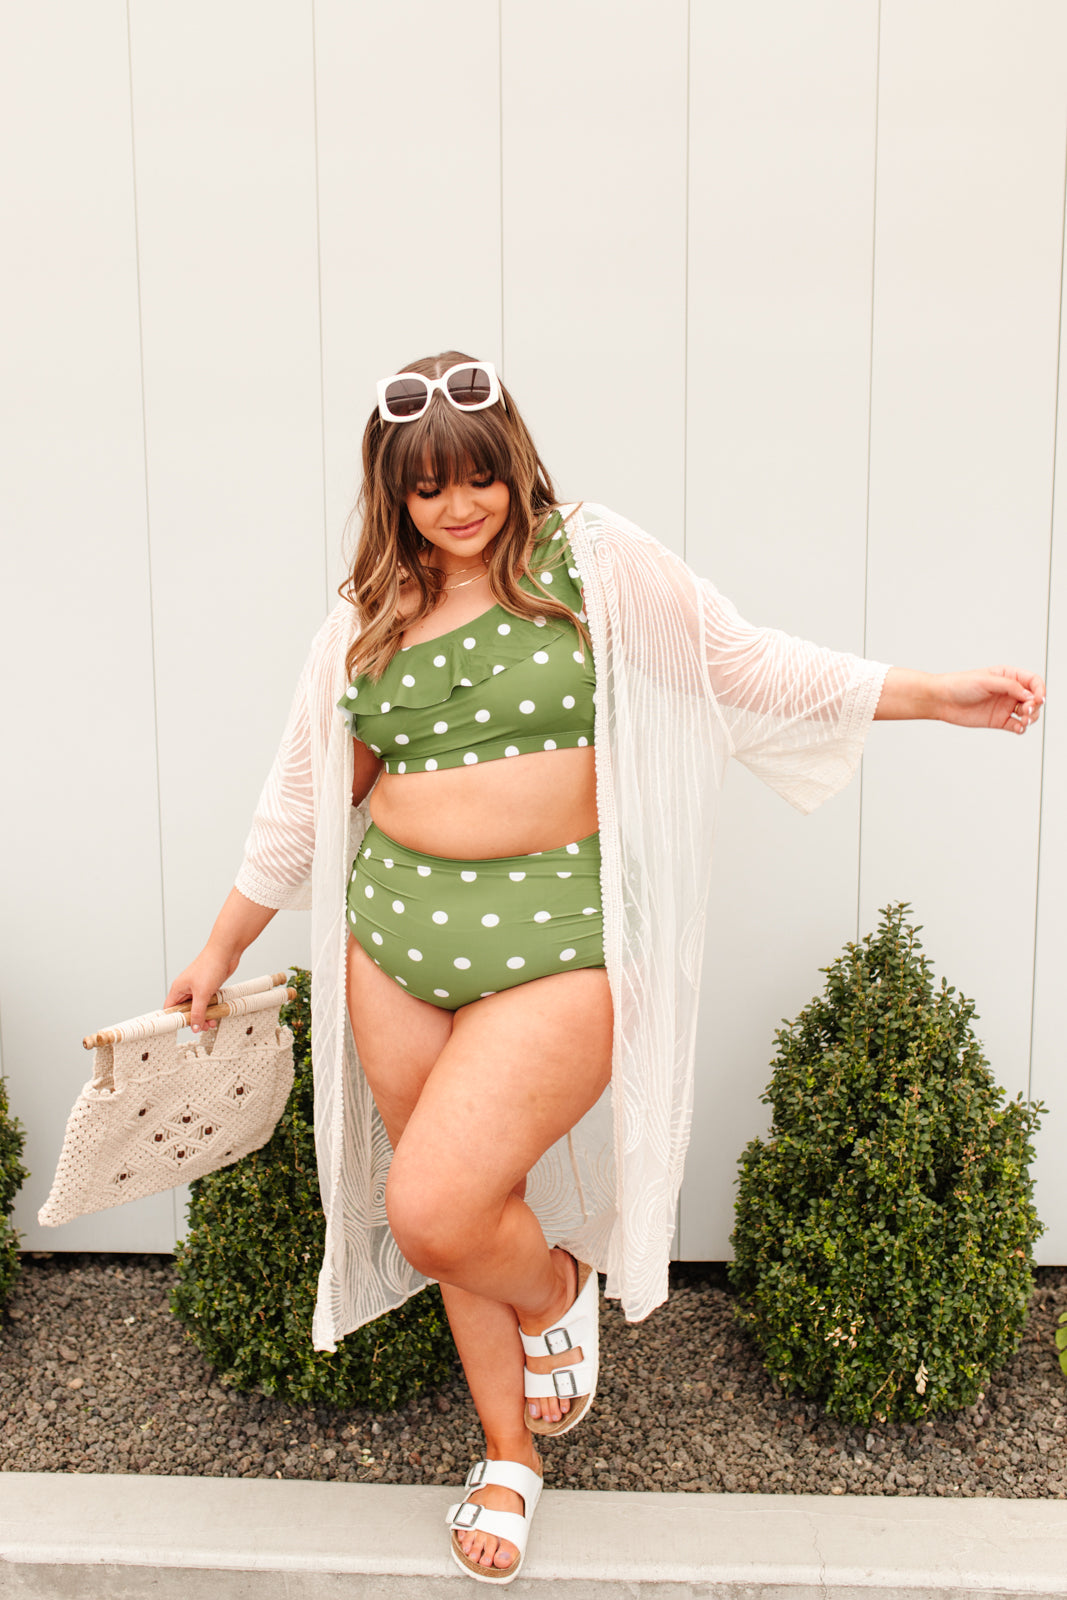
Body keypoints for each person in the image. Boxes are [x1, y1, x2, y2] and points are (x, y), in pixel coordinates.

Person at [166, 351, 1045, 1584]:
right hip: (395, 949)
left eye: (478, 477)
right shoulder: (367, 617)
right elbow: (306, 799)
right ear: (393, 493)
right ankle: (508, 1454)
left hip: (557, 946)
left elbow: (739, 663)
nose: (458, 506)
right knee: (449, 1221)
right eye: (428, 488)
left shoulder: (588, 563)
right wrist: (220, 946)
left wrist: (927, 694)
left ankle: (554, 1288)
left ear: (514, 463)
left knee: (435, 1207)